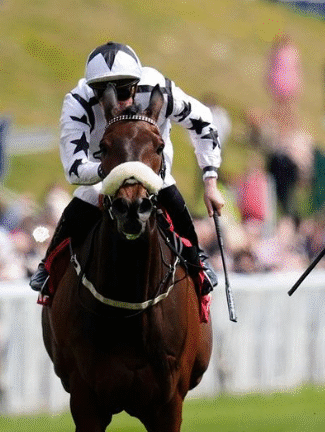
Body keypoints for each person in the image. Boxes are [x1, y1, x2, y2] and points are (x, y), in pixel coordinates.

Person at [29, 42, 225, 295]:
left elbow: (203, 121)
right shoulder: (77, 104)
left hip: (153, 166)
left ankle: (196, 260)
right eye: (104, 93)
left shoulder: (158, 87)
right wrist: (114, 170)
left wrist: (210, 181)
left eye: (124, 92)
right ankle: (48, 267)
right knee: (85, 196)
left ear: (136, 84)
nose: (117, 102)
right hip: (104, 169)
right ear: (92, 91)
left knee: (170, 193)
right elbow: (75, 168)